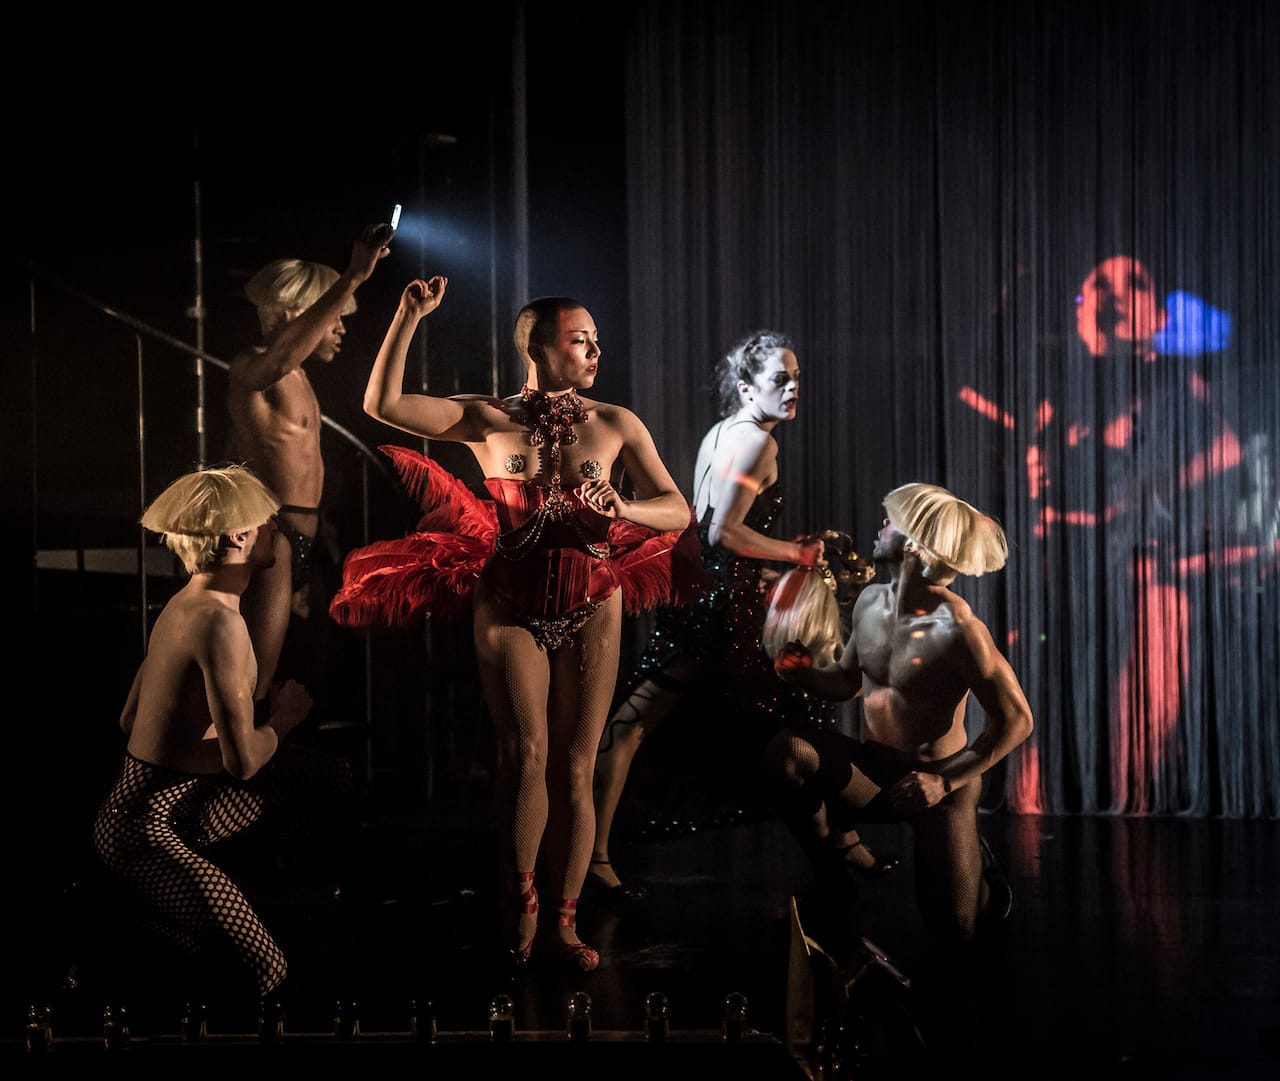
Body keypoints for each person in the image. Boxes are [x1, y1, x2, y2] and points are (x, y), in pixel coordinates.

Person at [331, 278, 691, 972]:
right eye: (579, 339)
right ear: (536, 346)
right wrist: (406, 316)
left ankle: (565, 919)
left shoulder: (617, 422)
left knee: (576, 764)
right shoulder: (487, 418)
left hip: (593, 600)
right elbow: (380, 404)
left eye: (594, 339)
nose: (595, 349)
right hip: (509, 600)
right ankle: (520, 899)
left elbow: (676, 510)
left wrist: (623, 506)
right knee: (525, 754)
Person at [589, 330, 883, 901]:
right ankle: (841, 844)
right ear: (747, 388)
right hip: (723, 613)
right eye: (780, 378)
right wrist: (796, 554)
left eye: (797, 376)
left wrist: (762, 569)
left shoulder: (724, 432)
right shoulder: (760, 446)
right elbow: (722, 531)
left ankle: (595, 856)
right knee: (800, 717)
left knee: (632, 724)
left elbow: (707, 527)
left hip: (700, 596)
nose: (793, 386)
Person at [91, 465, 353, 1004]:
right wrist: (282, 717)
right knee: (266, 968)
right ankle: (109, 917)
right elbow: (243, 763)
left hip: (182, 807)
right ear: (238, 536)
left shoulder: (184, 603)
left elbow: (126, 719)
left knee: (326, 777)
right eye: (268, 524)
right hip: (145, 831)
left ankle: (269, 896)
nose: (276, 532)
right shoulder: (219, 623)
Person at [765, 482, 1034, 945]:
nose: (879, 525)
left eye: (891, 521)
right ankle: (833, 876)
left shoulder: (958, 628)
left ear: (911, 543)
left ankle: (986, 881)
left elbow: (1017, 720)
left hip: (939, 788)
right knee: (786, 752)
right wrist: (805, 673)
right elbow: (847, 682)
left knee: (956, 928)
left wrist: (944, 782)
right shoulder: (872, 601)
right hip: (876, 774)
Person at [227, 222, 394, 712]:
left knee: (307, 675)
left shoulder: (299, 377)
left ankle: (278, 774)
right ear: (296, 316)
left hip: (304, 540)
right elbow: (278, 358)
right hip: (273, 540)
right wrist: (352, 278)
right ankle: (235, 778)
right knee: (255, 680)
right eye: (335, 316)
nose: (340, 327)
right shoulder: (253, 366)